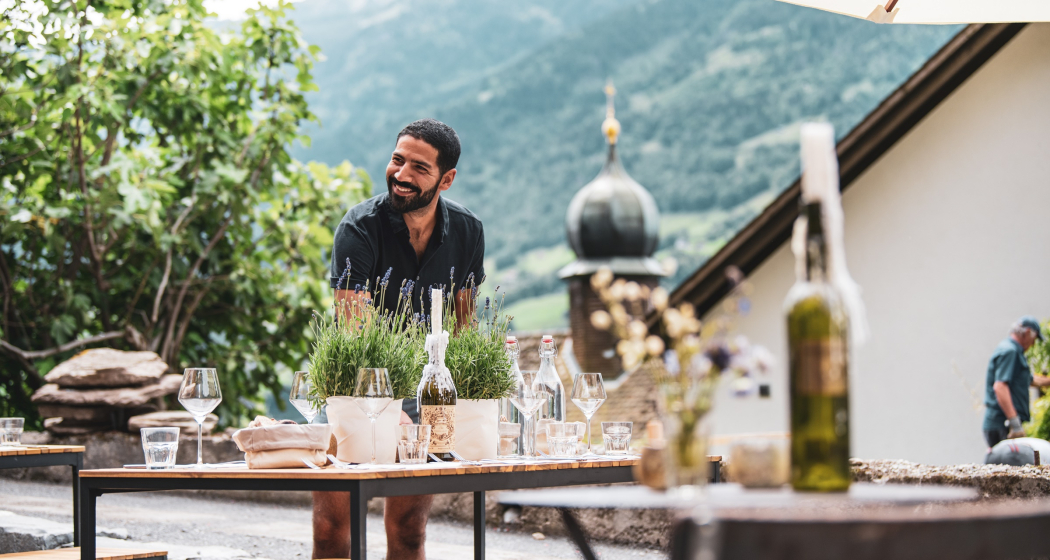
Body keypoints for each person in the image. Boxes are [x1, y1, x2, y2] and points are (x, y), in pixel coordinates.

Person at [315, 118, 484, 560]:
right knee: (332, 530)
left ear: (446, 179)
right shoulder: (358, 228)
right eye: (397, 159)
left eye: (419, 168)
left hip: (426, 390)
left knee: (410, 531)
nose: (402, 175)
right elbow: (355, 333)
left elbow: (462, 327)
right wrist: (389, 409)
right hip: (353, 386)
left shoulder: (468, 231)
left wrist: (461, 408)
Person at [982, 316, 1049, 449]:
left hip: (1003, 424)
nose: (1033, 345)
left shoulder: (1013, 351)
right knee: (1007, 468)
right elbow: (1000, 387)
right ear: (1027, 332)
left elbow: (1031, 380)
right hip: (1002, 425)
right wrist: (1015, 423)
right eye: (1034, 339)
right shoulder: (1010, 352)